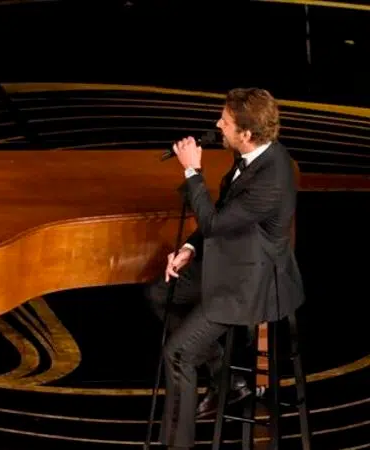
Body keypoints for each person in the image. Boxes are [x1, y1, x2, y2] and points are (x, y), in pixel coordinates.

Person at [144, 88, 305, 449]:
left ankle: (177, 445)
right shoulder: (252, 155)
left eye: (226, 122)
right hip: (231, 262)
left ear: (246, 134)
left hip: (250, 283)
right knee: (160, 293)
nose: (218, 125)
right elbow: (226, 215)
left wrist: (192, 170)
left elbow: (215, 222)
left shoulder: (272, 178)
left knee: (178, 354)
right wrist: (189, 247)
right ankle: (224, 375)